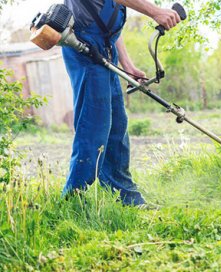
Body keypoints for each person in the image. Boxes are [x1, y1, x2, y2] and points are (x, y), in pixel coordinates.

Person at [61, 0, 180, 206]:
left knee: (117, 126)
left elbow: (109, 23)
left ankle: (123, 195)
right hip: (85, 44)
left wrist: (128, 65)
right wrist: (155, 12)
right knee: (94, 127)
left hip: (104, 45)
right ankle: (73, 199)